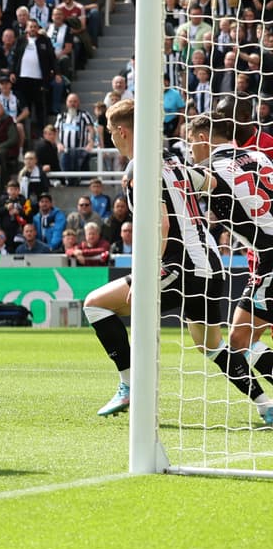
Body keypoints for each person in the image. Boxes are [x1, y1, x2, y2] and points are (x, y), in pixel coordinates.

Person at [82, 102, 271, 423]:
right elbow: (203, 190)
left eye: (111, 131)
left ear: (122, 132)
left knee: (95, 305)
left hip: (181, 264)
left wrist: (145, 273)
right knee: (214, 345)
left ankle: (130, 385)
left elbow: (163, 224)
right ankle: (265, 405)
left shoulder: (140, 169)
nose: (110, 138)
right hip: (212, 264)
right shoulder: (175, 159)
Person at [184, 111, 273, 421]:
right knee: (241, 338)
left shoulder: (208, 169)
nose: (190, 149)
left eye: (190, 142)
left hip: (270, 257)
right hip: (266, 258)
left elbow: (188, 181)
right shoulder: (259, 156)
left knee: (238, 341)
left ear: (202, 138)